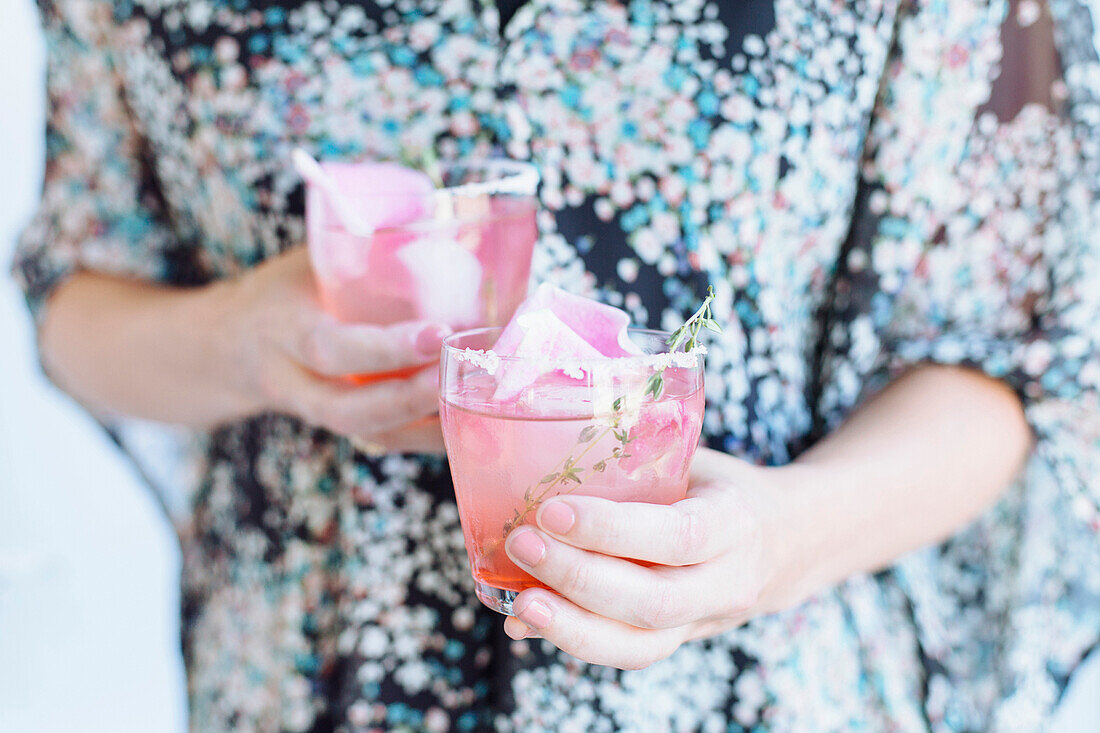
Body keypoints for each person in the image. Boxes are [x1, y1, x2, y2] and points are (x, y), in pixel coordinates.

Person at [12, 0, 1100, 730]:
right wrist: (245, 338)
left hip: (767, 686)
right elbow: (74, 288)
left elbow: (1001, 356)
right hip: (303, 680)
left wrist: (770, 541)